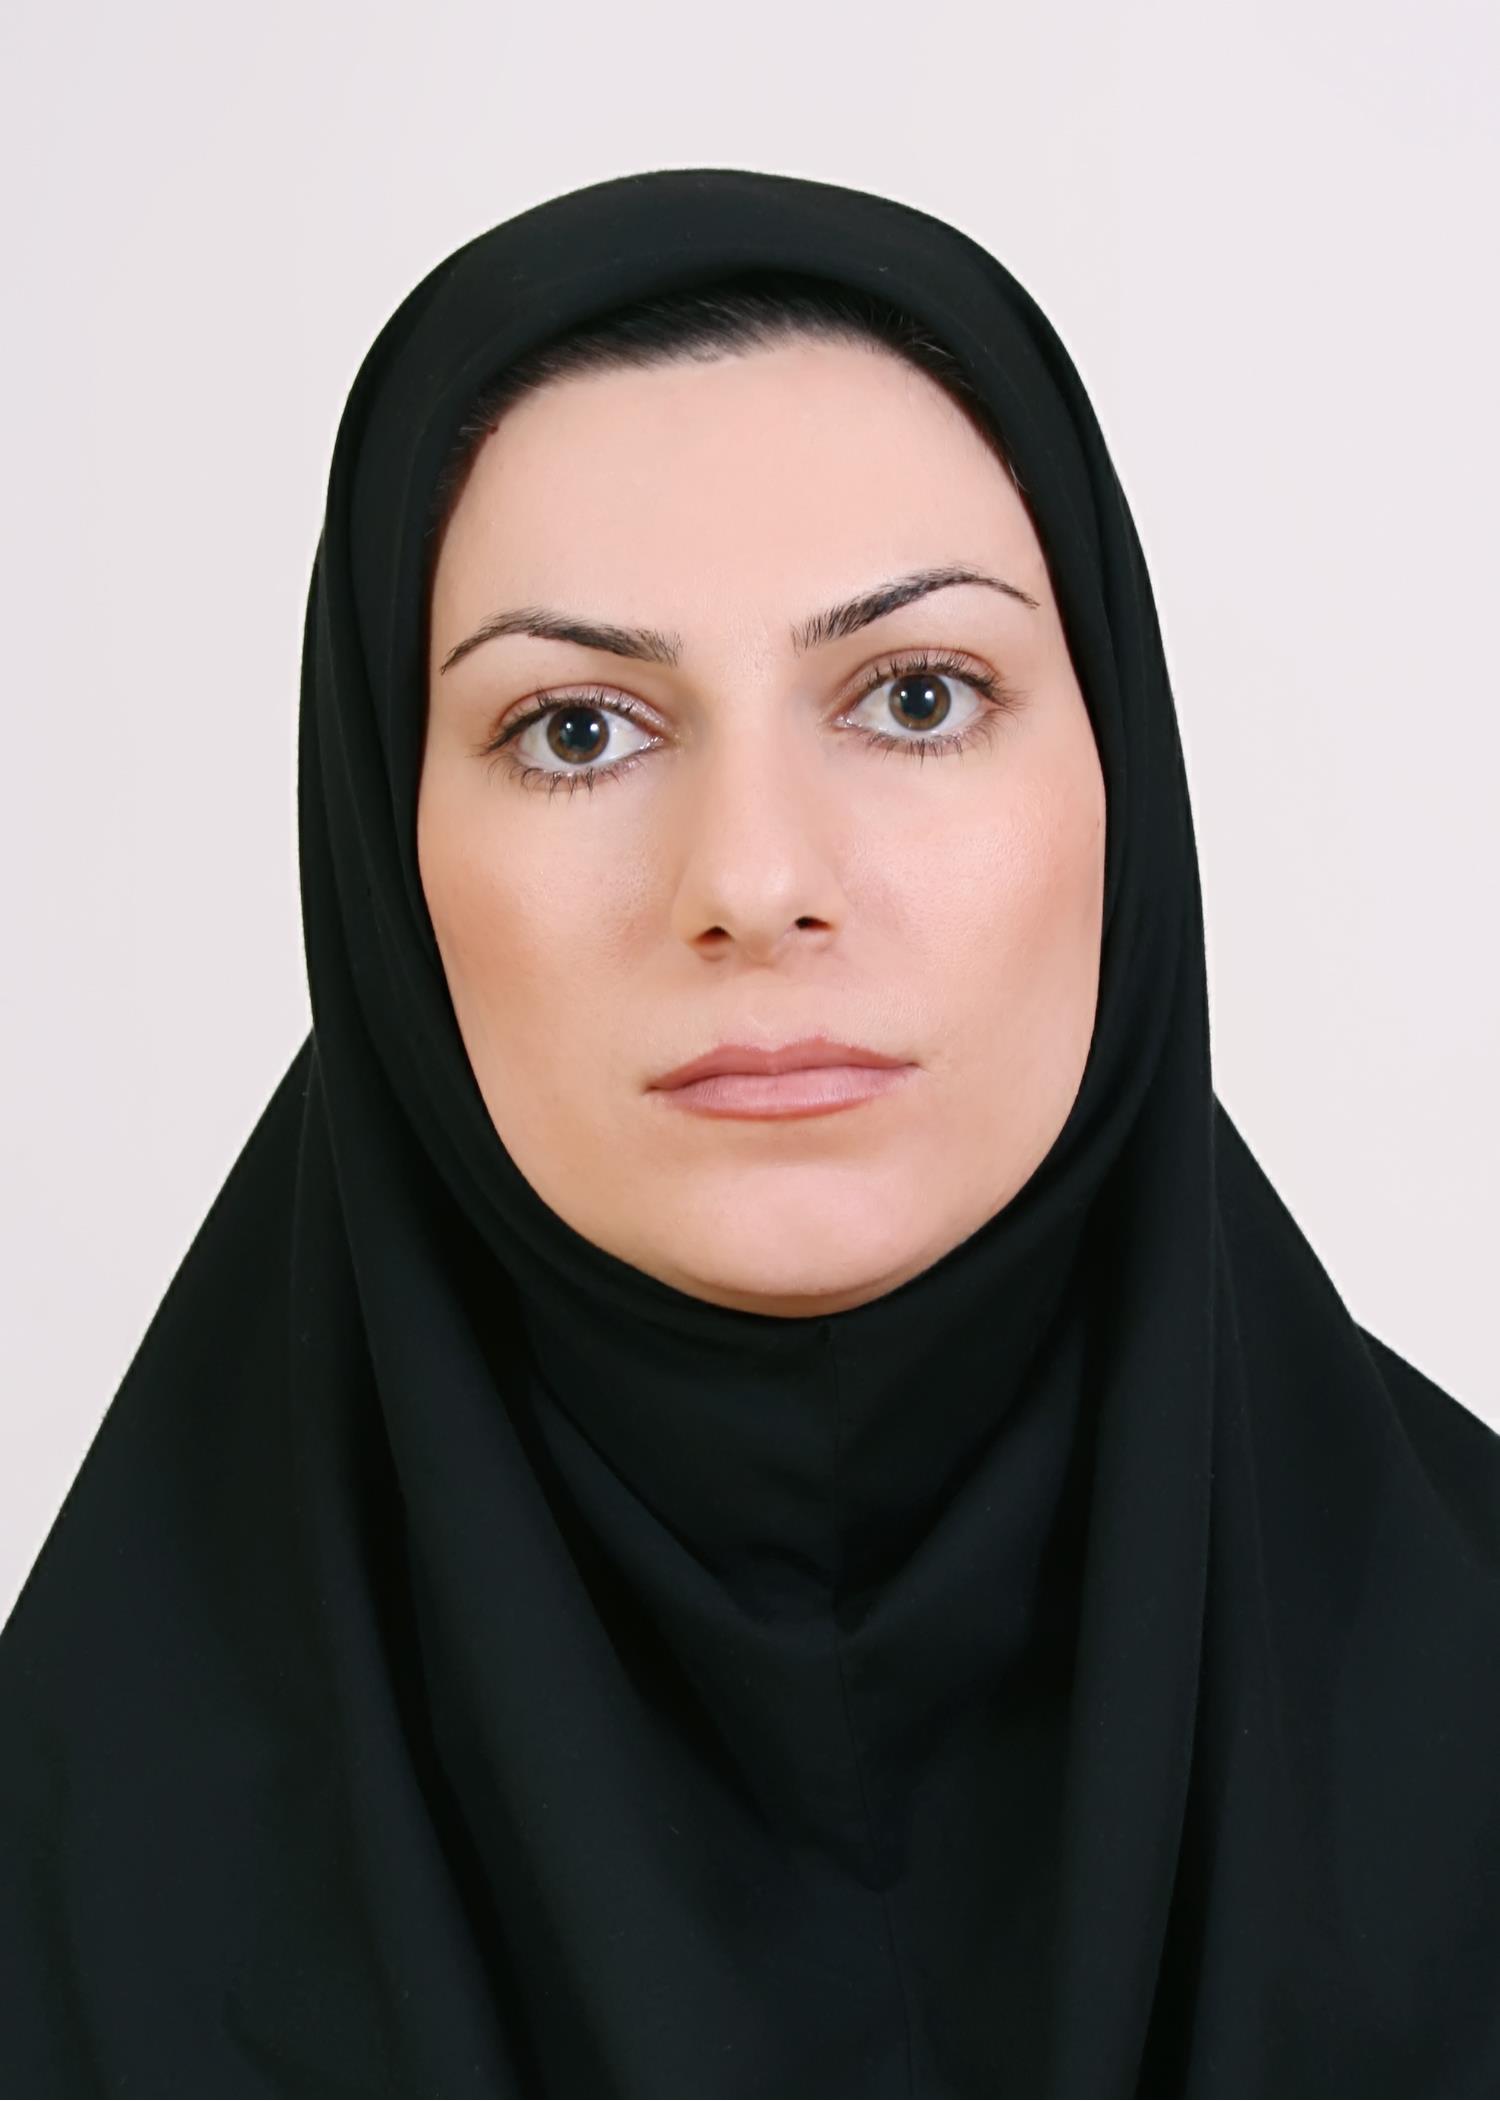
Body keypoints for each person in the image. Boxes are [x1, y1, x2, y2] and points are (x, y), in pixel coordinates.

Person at [1, 165, 1496, 2098]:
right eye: (576, 728)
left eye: (917, 695)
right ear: (384, 859)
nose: (755, 880)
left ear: (1122, 785)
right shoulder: (58, 1892)